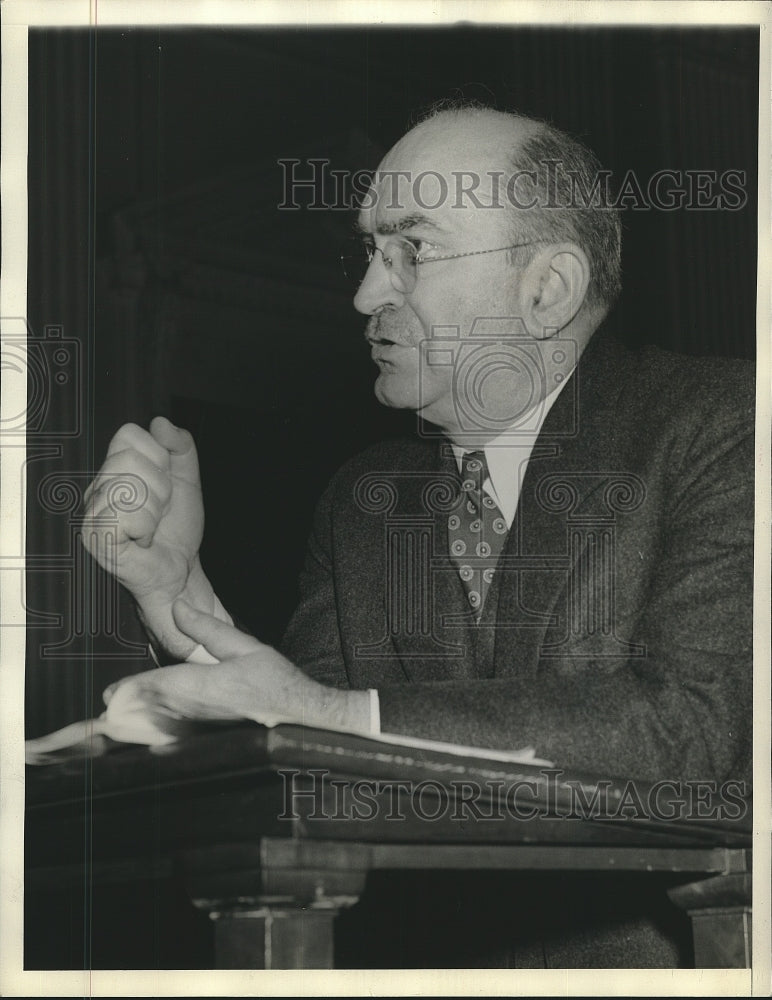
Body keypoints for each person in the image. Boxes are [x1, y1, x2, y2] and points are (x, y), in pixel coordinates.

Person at [82, 105, 754, 965]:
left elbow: (693, 733)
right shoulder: (365, 501)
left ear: (546, 288)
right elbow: (311, 751)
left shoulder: (726, 427)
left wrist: (332, 713)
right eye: (368, 252)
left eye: (414, 250)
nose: (366, 294)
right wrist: (179, 599)